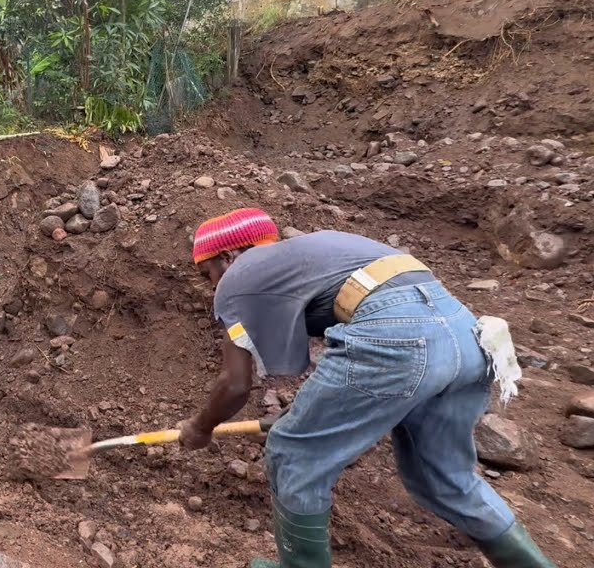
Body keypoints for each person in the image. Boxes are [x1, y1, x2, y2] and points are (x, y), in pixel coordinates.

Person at [177, 208, 556, 568]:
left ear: (228, 255)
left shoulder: (239, 276)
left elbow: (236, 383)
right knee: (444, 478)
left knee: (295, 452)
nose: (210, 284)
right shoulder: (317, 253)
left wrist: (199, 427)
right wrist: (310, 414)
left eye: (207, 272)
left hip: (399, 339)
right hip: (466, 335)